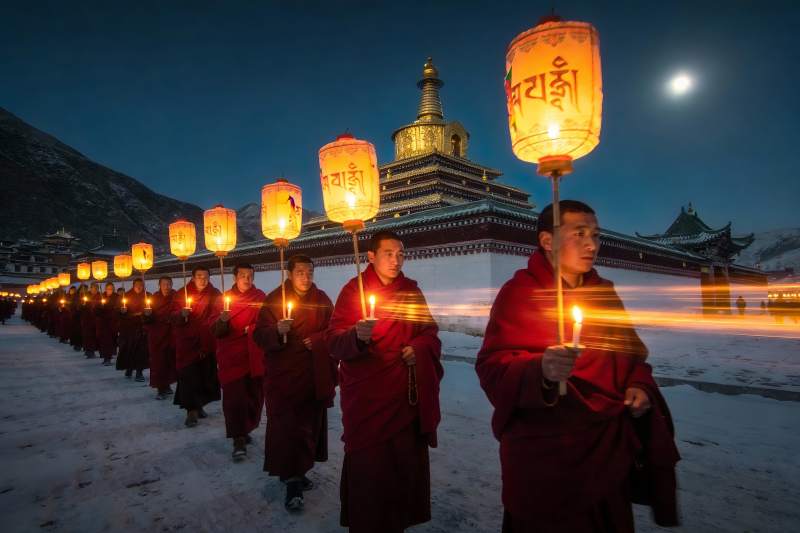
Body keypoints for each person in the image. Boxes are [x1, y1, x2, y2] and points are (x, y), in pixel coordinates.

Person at [475, 200, 680, 533]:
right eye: (579, 234)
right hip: (546, 453)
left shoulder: (604, 294)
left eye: (596, 235)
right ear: (547, 241)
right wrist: (540, 370)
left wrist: (639, 387)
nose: (592, 245)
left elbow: (632, 357)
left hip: (605, 446)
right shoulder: (519, 294)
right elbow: (491, 367)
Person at [326, 230, 443, 532]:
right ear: (371, 256)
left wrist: (418, 349)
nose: (396, 260)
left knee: (403, 471)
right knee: (370, 473)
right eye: (389, 253)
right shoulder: (354, 291)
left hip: (405, 398)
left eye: (401, 254)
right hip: (368, 401)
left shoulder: (411, 291)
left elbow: (429, 332)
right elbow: (334, 342)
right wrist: (356, 337)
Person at [253, 254, 336, 512]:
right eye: (300, 272)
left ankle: (296, 470)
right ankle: (293, 480)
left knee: (308, 427)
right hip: (284, 377)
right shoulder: (274, 299)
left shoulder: (322, 300)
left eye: (310, 271)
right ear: (289, 274)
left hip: (312, 375)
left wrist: (320, 339)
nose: (306, 277)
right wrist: (277, 331)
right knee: (288, 428)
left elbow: (335, 330)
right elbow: (258, 334)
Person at [210, 263, 265, 461]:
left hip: (254, 356)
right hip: (232, 356)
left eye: (250, 275)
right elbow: (214, 329)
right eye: (243, 275)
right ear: (235, 278)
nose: (247, 279)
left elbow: (266, 322)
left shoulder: (260, 297)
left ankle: (245, 428)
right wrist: (222, 321)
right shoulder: (224, 300)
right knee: (235, 399)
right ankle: (238, 438)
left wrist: (252, 329)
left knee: (253, 396)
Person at [171, 267, 221, 427]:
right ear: (192, 278)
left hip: (207, 340)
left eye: (206, 276)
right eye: (199, 276)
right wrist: (181, 315)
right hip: (188, 342)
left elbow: (219, 312)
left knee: (205, 376)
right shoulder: (181, 294)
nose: (202, 279)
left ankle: (199, 405)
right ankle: (191, 411)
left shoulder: (215, 293)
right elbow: (172, 316)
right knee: (189, 376)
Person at [144, 277, 177, 399]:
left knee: (170, 361)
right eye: (164, 284)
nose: (167, 286)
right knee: (159, 362)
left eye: (169, 284)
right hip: (157, 335)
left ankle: (167, 385)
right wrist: (147, 315)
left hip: (171, 334)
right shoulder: (153, 299)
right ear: (159, 285)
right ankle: (160, 388)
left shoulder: (177, 296)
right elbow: (147, 319)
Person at [117, 278, 149, 382]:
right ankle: (129, 368)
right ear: (133, 285)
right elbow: (117, 312)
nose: (139, 286)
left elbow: (152, 309)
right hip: (129, 328)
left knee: (141, 351)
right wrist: (122, 312)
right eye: (137, 284)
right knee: (129, 349)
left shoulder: (147, 295)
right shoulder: (125, 296)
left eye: (141, 284)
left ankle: (139, 372)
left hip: (142, 327)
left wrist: (147, 313)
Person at [95, 282, 118, 366]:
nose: (110, 290)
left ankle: (109, 356)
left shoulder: (117, 297)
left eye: (111, 289)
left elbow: (119, 308)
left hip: (113, 323)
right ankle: (106, 357)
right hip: (103, 323)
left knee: (111, 341)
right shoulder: (101, 297)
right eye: (108, 289)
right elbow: (95, 310)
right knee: (104, 341)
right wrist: (100, 307)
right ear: (105, 289)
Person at [81, 283, 100, 358]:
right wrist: (83, 305)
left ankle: (92, 350)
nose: (95, 290)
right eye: (93, 288)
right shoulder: (85, 296)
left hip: (96, 319)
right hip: (87, 319)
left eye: (96, 288)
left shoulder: (100, 296)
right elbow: (80, 308)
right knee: (88, 336)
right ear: (90, 288)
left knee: (94, 336)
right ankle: (89, 351)